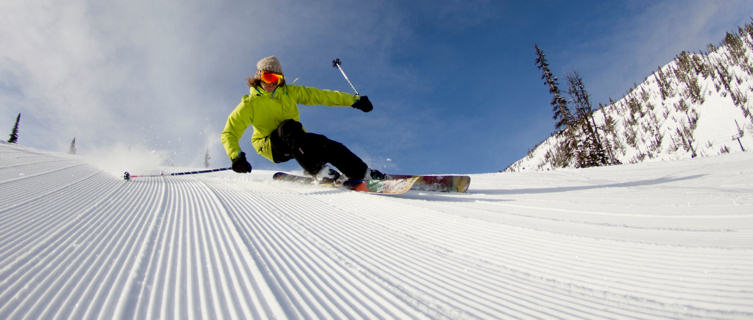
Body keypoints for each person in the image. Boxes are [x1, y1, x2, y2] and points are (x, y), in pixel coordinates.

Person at [221, 56, 385, 182]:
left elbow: (321, 96)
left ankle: (362, 173)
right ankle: (318, 171)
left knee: (327, 144)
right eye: (268, 77)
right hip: (271, 146)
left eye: (276, 80)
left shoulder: (289, 92)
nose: (271, 83)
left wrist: (354, 101)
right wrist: (237, 157)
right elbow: (229, 132)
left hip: (297, 141)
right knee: (288, 127)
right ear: (259, 76)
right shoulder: (249, 104)